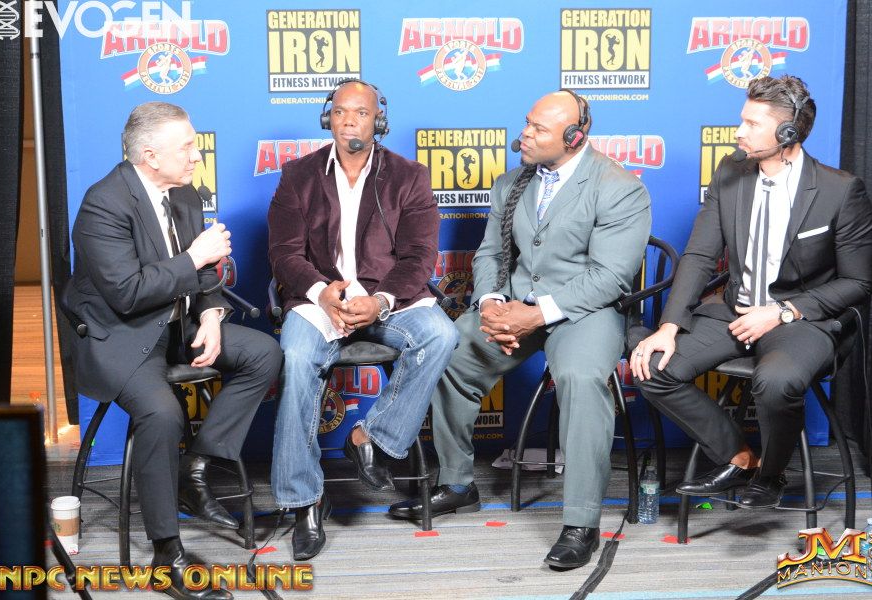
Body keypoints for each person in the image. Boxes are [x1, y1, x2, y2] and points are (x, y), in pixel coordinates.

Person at [389, 90, 652, 570]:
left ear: (574, 138)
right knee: (448, 351)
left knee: (580, 378)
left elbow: (610, 277)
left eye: (538, 129)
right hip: (515, 306)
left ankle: (581, 523)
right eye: (527, 123)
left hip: (586, 311)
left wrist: (535, 314)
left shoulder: (619, 187)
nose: (524, 135)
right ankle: (457, 483)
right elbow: (490, 253)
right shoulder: (512, 183)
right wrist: (491, 303)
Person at [66, 102, 282, 600]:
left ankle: (195, 469)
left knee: (264, 354)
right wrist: (195, 256)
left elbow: (202, 279)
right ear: (149, 155)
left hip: (178, 325)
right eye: (186, 147)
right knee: (162, 413)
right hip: (124, 335)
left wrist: (210, 315)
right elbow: (127, 293)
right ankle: (167, 554)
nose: (196, 156)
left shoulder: (184, 195)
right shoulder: (103, 204)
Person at [631, 75, 872, 509]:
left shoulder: (839, 190)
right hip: (734, 311)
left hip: (800, 320)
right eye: (741, 120)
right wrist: (668, 327)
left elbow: (857, 283)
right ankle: (741, 458)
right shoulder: (731, 172)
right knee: (651, 366)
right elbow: (699, 255)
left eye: (752, 123)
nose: (738, 131)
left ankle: (772, 476)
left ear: (788, 132)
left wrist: (782, 312)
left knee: (777, 380)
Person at [267, 79, 459, 561]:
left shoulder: (409, 176)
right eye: (340, 112)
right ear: (327, 118)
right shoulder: (297, 176)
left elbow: (419, 256)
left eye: (361, 113)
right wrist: (321, 291)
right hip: (319, 299)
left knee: (440, 334)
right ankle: (305, 502)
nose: (349, 120)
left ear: (379, 121)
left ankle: (370, 437)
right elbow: (284, 254)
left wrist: (381, 301)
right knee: (296, 356)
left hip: (388, 299)